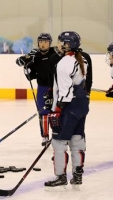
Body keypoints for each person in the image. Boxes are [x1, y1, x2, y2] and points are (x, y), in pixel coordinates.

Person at [44, 31, 88, 191]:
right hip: (81, 104)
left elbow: (65, 92)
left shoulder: (64, 63)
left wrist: (56, 111)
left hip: (69, 107)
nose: (57, 44)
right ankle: (77, 176)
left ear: (67, 44)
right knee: (77, 140)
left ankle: (60, 177)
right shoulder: (82, 59)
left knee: (59, 142)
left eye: (60, 41)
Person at [16, 33, 56, 146]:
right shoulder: (35, 56)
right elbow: (31, 75)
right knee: (43, 112)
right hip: (42, 87)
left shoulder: (55, 53)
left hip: (56, 87)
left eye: (46, 42)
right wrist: (27, 67)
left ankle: (57, 135)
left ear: (50, 43)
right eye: (41, 42)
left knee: (55, 111)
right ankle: (44, 136)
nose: (43, 44)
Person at [48, 32, 93, 102]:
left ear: (68, 44)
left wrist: (87, 92)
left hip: (70, 98)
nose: (58, 45)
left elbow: (88, 77)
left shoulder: (83, 58)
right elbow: (52, 78)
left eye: (61, 42)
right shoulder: (54, 58)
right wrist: (51, 91)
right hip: (61, 97)